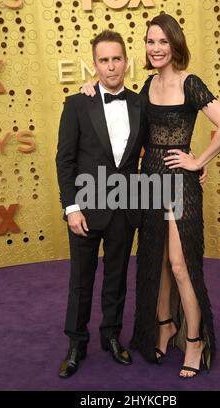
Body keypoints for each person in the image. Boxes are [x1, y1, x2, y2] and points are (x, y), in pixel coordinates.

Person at [82, 14, 220, 378]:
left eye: (162, 42)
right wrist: (91, 88)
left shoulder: (191, 82)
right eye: (150, 42)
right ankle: (165, 325)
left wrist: (199, 159)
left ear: (175, 45)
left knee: (181, 266)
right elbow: (121, 114)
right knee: (158, 262)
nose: (155, 49)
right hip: (149, 181)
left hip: (178, 184)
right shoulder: (146, 86)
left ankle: (195, 340)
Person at [55, 30, 149, 378]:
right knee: (81, 280)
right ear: (94, 65)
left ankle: (111, 336)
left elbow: (161, 144)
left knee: (117, 276)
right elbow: (64, 160)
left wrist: (192, 165)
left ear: (126, 61)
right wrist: (71, 207)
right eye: (104, 60)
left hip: (124, 207)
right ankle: (76, 343)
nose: (111, 67)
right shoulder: (78, 103)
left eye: (116, 59)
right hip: (85, 208)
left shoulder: (141, 103)